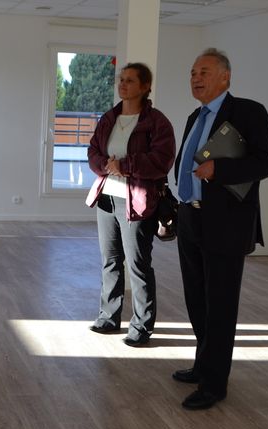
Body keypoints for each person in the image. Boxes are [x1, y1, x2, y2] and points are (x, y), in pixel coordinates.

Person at [173, 48, 268, 410]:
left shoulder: (248, 112)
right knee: (197, 300)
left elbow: (266, 162)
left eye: (203, 71)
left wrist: (220, 171)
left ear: (225, 77)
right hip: (191, 218)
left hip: (226, 225)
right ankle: (204, 365)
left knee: (220, 305)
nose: (195, 78)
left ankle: (215, 384)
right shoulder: (194, 116)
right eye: (192, 72)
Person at [85, 62, 176, 347]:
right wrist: (105, 165)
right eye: (121, 79)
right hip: (106, 198)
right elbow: (93, 151)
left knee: (138, 264)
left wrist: (125, 166)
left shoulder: (156, 122)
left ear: (145, 86)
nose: (122, 84)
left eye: (130, 80)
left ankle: (141, 326)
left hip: (137, 200)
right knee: (110, 260)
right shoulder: (109, 118)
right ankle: (109, 317)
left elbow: (162, 160)